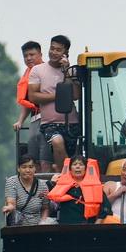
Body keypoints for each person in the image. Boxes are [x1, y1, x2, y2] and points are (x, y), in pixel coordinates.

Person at [28, 35, 80, 171]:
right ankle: (66, 178)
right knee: (57, 142)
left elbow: (75, 95)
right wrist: (59, 95)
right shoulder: (37, 70)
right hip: (49, 124)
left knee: (72, 156)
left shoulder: (71, 70)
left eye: (58, 50)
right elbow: (33, 96)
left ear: (66, 53)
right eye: (52, 48)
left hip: (71, 122)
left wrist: (66, 72)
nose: (54, 52)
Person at [13, 41, 52, 172]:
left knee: (45, 157)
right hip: (35, 119)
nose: (28, 58)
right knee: (33, 157)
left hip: (50, 119)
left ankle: (48, 187)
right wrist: (20, 121)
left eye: (32, 54)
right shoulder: (27, 75)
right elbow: (26, 102)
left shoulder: (49, 71)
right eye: (25, 56)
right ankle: (36, 189)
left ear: (40, 54)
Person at [47, 155, 112, 224]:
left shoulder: (94, 186)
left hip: (87, 227)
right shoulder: (59, 186)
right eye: (74, 164)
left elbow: (106, 207)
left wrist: (97, 223)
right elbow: (49, 206)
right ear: (70, 169)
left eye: (81, 164)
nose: (78, 166)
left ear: (86, 169)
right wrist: (52, 183)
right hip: (65, 227)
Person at [3, 155, 50, 226]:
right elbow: (11, 203)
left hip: (37, 227)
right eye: (24, 167)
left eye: (31, 167)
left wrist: (43, 222)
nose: (27, 170)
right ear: (18, 169)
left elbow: (45, 208)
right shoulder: (12, 182)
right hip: (17, 226)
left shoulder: (43, 186)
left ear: (35, 168)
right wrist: (9, 208)